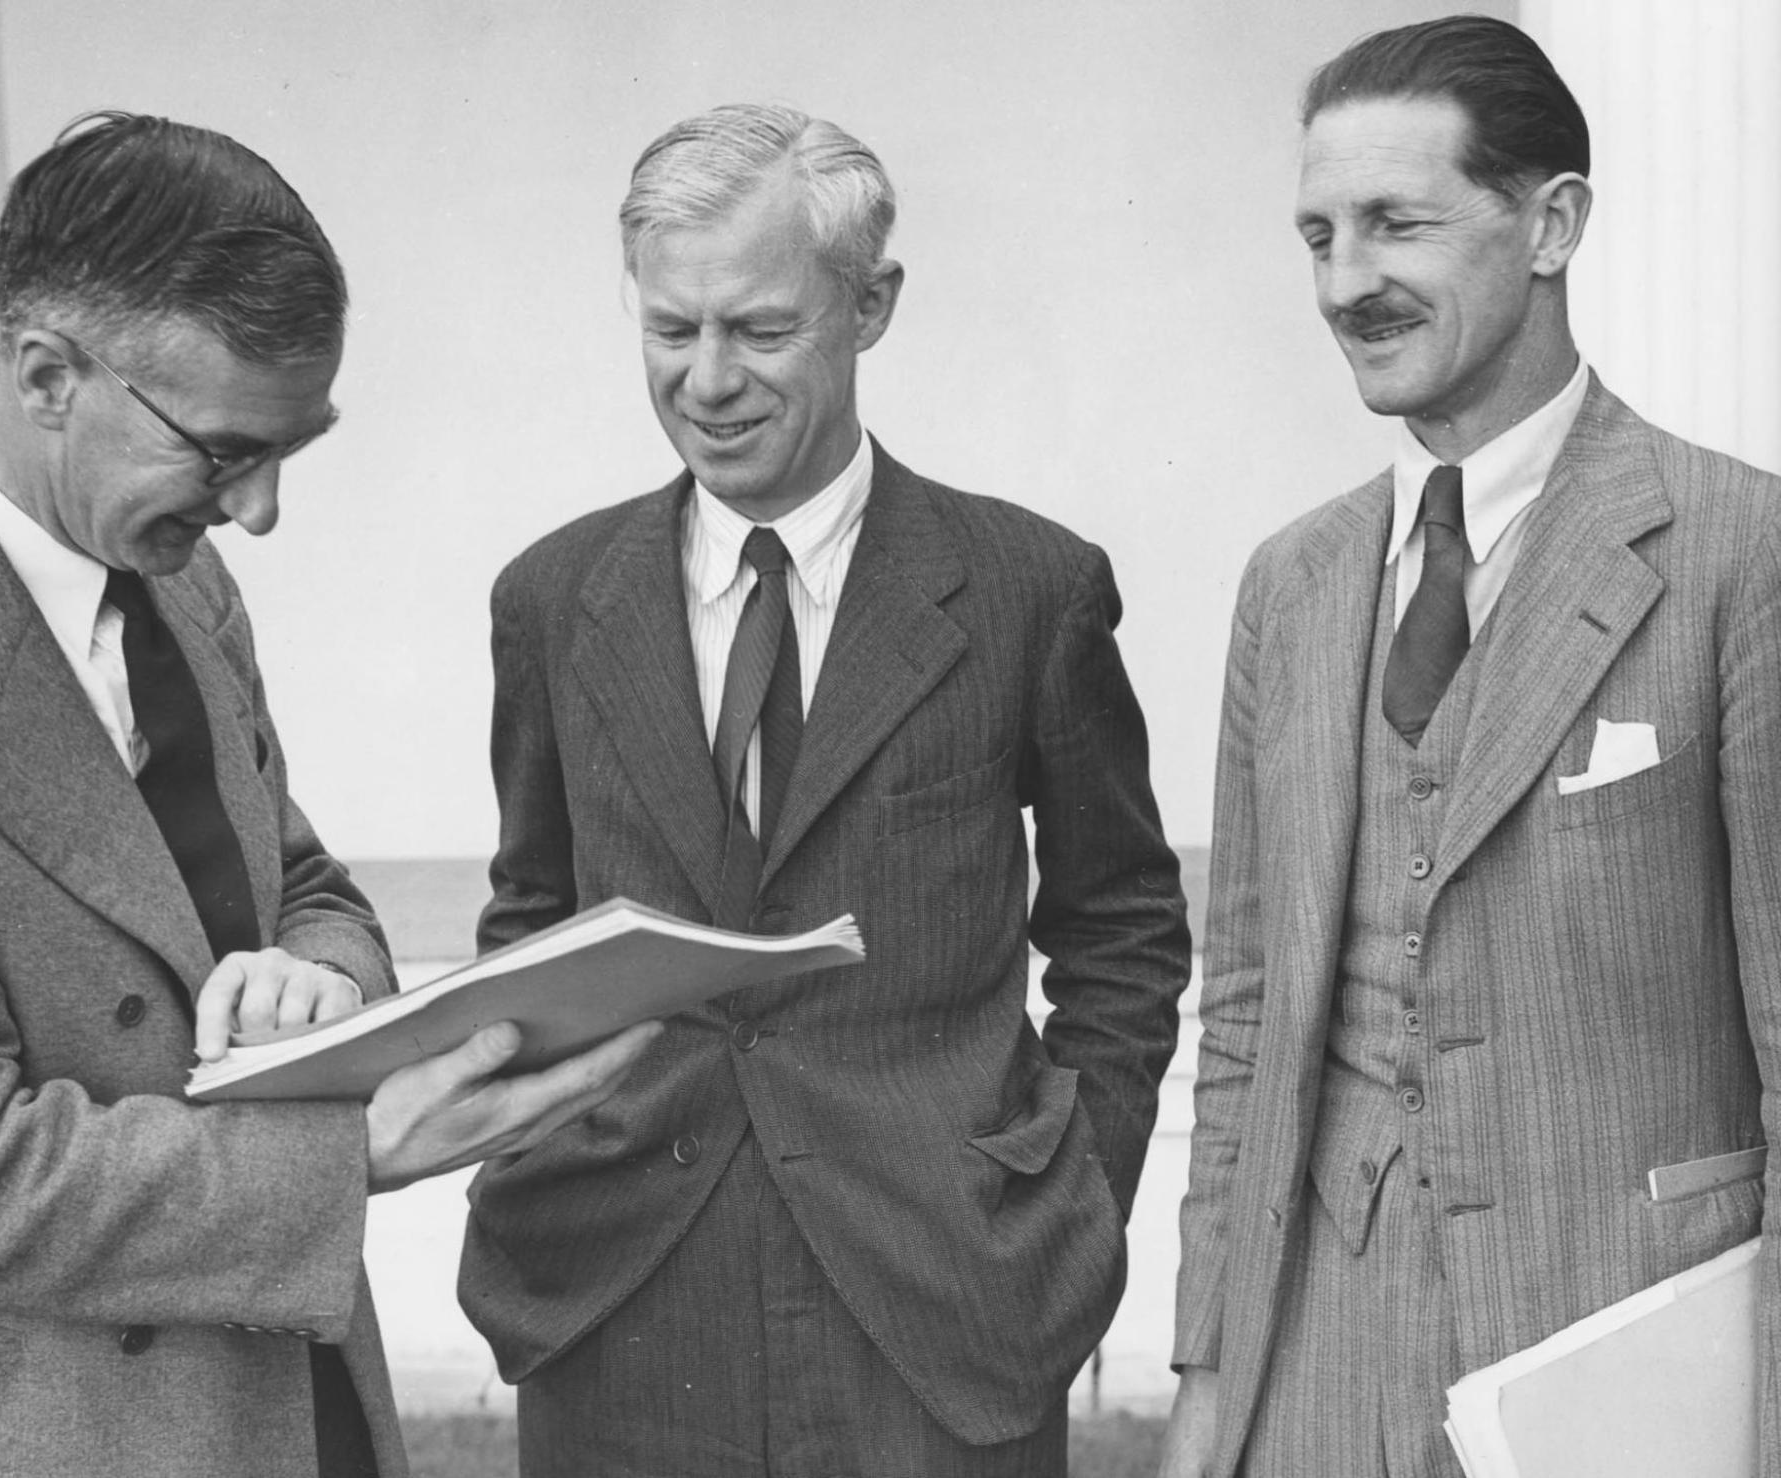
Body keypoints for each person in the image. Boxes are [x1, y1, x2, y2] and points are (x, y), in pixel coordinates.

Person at [0, 112, 654, 1478]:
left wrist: (314, 979)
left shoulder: (182, 577)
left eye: (294, 448)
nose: (264, 511)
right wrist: (356, 1152)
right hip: (30, 1431)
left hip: (284, 1387)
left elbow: (311, 888)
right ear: (47, 372)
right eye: (225, 451)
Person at [458, 102, 1192, 1477]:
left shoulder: (1032, 589)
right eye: (671, 331)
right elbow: (533, 913)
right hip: (620, 1297)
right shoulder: (554, 600)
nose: (709, 379)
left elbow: (1124, 928)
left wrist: (1068, 1200)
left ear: (873, 305)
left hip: (944, 1300)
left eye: (760, 329)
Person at [1160, 17, 1779, 1478]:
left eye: (1395, 224)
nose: (1342, 282)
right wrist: (1206, 1385)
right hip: (1316, 1382)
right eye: (1318, 233)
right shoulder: (1291, 585)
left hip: (1625, 1375)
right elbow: (1244, 1022)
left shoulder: (1741, 554)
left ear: (1552, 222)